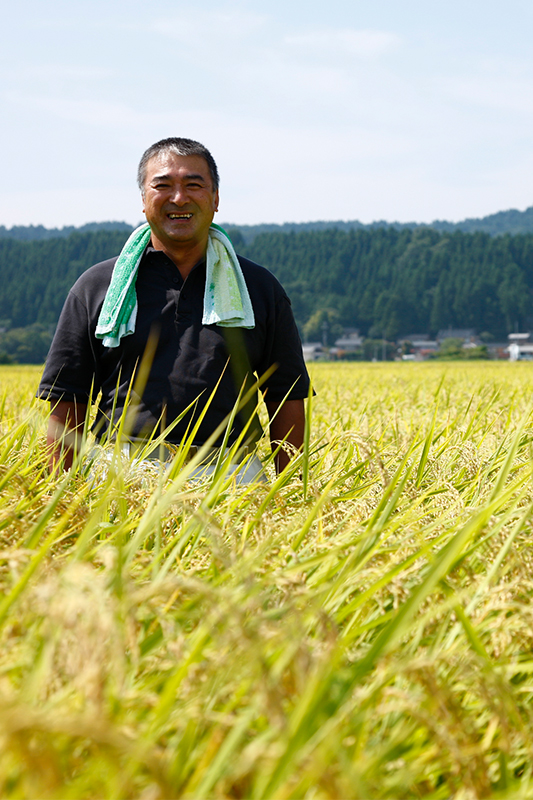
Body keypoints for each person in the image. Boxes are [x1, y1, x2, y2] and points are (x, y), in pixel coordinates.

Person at [38, 137, 310, 478]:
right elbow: (67, 398)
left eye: (194, 185)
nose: (178, 198)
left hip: (232, 474)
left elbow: (286, 396)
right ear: (143, 199)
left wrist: (294, 491)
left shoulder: (258, 288)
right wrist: (58, 497)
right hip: (123, 473)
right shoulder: (98, 287)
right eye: (162, 185)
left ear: (215, 199)